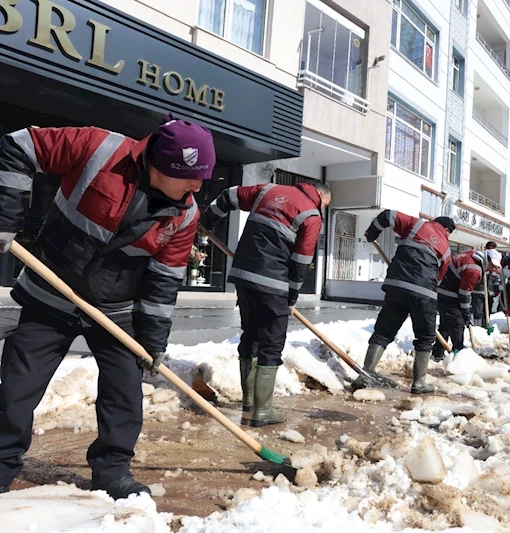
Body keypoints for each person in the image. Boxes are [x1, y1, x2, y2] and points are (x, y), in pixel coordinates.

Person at [0, 115, 215, 499]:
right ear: (158, 165)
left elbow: (163, 282)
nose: (198, 185)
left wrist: (152, 341)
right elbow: (19, 145)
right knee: (18, 384)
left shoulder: (186, 214)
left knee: (123, 391)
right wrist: (5, 218)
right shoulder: (99, 150)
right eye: (190, 176)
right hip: (52, 290)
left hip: (117, 309)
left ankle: (113, 471)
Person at [200, 180, 331, 426]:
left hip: (243, 275)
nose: (322, 207)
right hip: (274, 284)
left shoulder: (268, 190)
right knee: (271, 344)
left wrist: (207, 222)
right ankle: (263, 411)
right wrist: (291, 296)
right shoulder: (312, 215)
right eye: (325, 204)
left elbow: (228, 195)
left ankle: (249, 403)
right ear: (320, 195)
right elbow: (301, 261)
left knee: (250, 335)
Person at [357, 211, 455, 394]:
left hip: (397, 286)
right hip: (425, 293)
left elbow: (388, 215)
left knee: (383, 332)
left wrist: (372, 233)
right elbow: (439, 279)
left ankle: (365, 374)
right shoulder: (447, 249)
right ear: (447, 230)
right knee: (425, 338)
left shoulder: (416, 225)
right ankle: (419, 383)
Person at [434, 248, 502, 361]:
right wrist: (466, 314)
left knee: (446, 323)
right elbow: (464, 295)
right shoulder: (474, 270)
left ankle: (438, 352)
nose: (493, 268)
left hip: (443, 288)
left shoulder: (472, 254)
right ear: (487, 259)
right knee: (457, 323)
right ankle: (458, 351)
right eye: (492, 265)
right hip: (449, 292)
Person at [472, 241, 497, 332]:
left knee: (487, 311)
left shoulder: (495, 259)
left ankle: (485, 326)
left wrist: (496, 288)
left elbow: (495, 276)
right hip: (478, 291)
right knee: (478, 312)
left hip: (489, 292)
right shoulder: (483, 259)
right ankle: (477, 329)